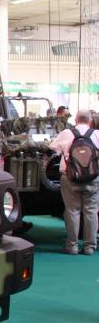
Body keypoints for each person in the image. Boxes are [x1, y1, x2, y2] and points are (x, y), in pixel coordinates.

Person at [49, 109, 99, 255]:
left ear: (76, 120)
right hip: (93, 178)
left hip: (69, 178)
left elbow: (52, 149)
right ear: (90, 121)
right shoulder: (96, 134)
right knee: (91, 211)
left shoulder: (66, 133)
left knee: (72, 211)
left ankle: (72, 246)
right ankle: (90, 247)